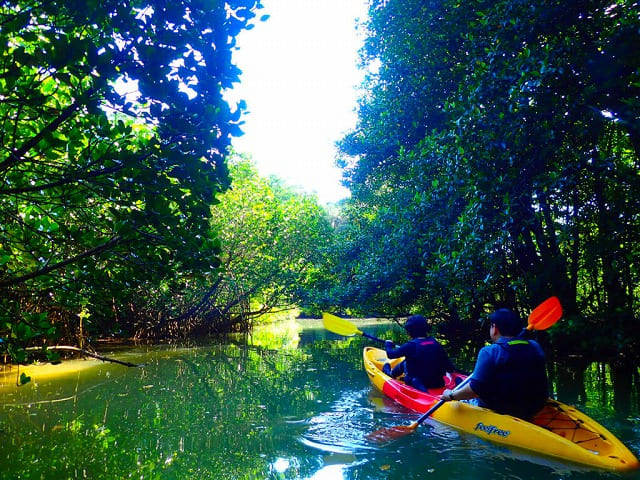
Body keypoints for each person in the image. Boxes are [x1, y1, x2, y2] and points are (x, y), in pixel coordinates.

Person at [442, 308, 548, 420]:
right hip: (536, 407)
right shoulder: (535, 346)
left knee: (460, 400)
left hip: (503, 409)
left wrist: (451, 395)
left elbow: (475, 390)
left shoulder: (490, 352)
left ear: (494, 328)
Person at [383, 314, 456, 392]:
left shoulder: (411, 346)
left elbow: (391, 355)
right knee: (408, 362)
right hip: (438, 384)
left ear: (409, 332)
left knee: (405, 363)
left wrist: (388, 344)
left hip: (419, 384)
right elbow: (449, 367)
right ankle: (393, 373)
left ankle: (391, 374)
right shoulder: (435, 343)